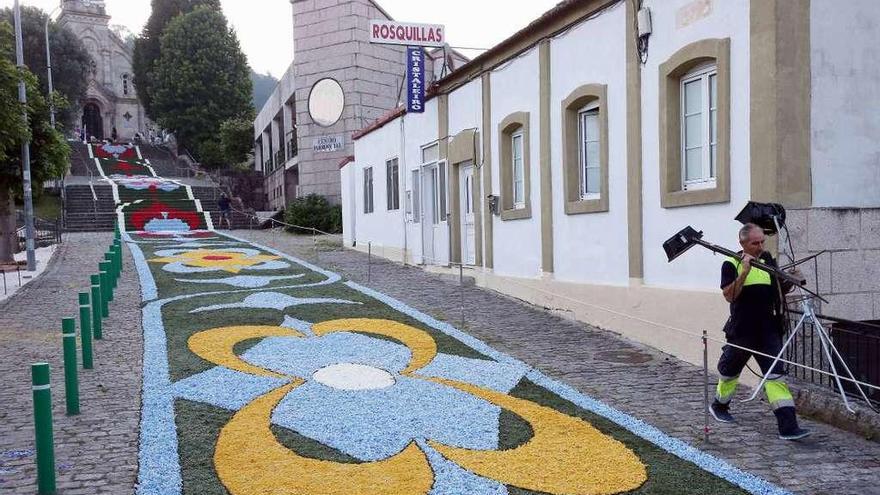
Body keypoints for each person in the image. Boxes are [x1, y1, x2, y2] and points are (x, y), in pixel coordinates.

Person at [709, 223, 811, 440]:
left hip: (768, 330)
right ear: (743, 243)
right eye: (755, 243)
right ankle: (719, 405)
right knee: (729, 371)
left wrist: (789, 281)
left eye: (762, 241)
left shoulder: (768, 261)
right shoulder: (730, 263)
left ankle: (788, 427)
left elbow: (776, 294)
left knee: (776, 376)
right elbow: (729, 295)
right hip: (742, 330)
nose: (760, 246)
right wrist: (745, 271)